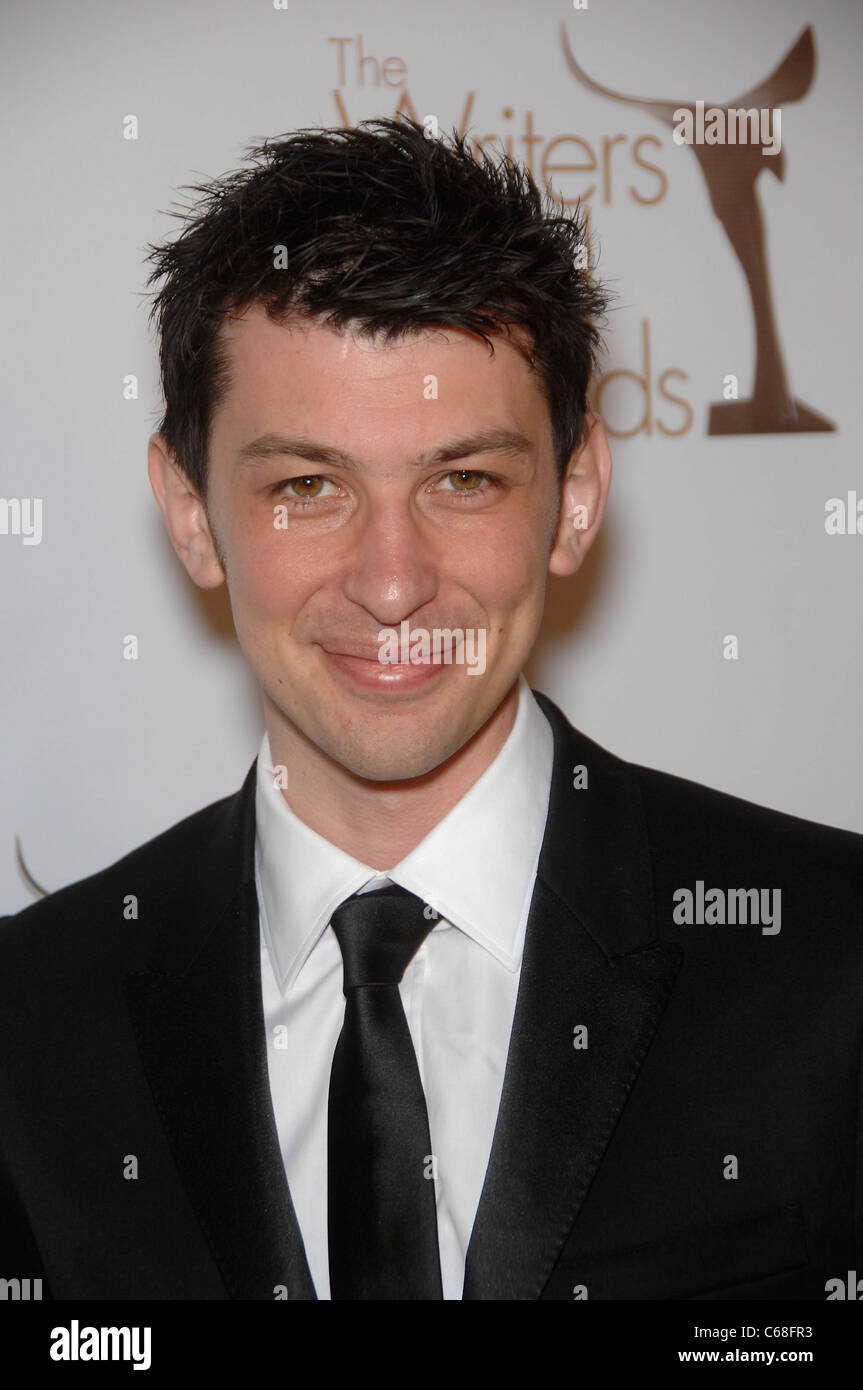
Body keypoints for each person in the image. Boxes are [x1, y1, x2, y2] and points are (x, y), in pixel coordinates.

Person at [1, 117, 860, 1302]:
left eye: (463, 480)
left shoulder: (828, 960)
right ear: (191, 512)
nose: (393, 582)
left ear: (574, 498)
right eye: (308, 486)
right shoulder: (31, 1024)